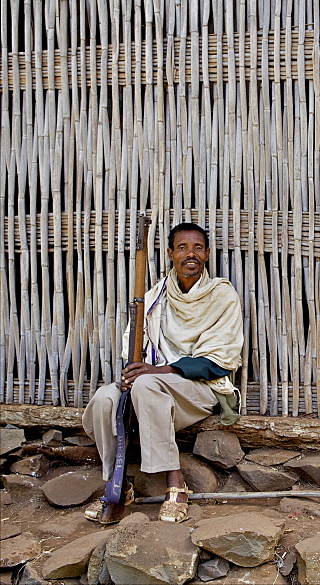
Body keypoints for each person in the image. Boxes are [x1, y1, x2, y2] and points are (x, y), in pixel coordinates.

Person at [82, 222, 244, 522]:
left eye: (197, 247)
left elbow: (220, 360)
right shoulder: (156, 296)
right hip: (153, 386)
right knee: (106, 397)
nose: (190, 254)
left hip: (199, 388)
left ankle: (176, 483)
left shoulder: (222, 295)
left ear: (207, 254)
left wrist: (159, 371)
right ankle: (117, 485)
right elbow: (136, 345)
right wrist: (136, 371)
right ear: (171, 253)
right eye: (182, 247)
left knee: (146, 385)